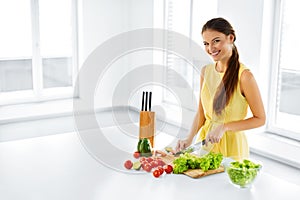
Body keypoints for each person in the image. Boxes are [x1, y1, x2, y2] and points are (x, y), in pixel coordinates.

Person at [176, 17, 266, 160]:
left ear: (230, 38)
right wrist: (189, 139)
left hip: (232, 147)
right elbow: (201, 113)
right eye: (206, 43)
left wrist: (225, 127)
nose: (210, 48)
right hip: (206, 143)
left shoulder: (245, 76)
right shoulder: (206, 72)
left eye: (216, 41)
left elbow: (260, 119)